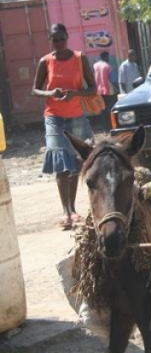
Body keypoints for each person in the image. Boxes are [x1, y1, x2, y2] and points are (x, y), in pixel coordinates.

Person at [31, 23, 96, 230]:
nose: (59, 43)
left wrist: (75, 93)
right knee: (60, 163)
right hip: (54, 117)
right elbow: (35, 90)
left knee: (76, 164)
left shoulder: (80, 58)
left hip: (76, 117)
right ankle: (65, 212)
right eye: (55, 39)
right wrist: (50, 94)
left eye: (62, 39)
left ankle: (73, 208)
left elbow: (92, 88)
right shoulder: (45, 61)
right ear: (50, 40)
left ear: (67, 38)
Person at [93, 51, 117, 131]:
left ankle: (105, 128)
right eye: (108, 57)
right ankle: (111, 126)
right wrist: (118, 88)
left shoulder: (95, 66)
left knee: (102, 110)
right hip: (108, 91)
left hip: (99, 91)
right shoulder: (108, 66)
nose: (108, 58)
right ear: (105, 57)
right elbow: (113, 80)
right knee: (110, 109)